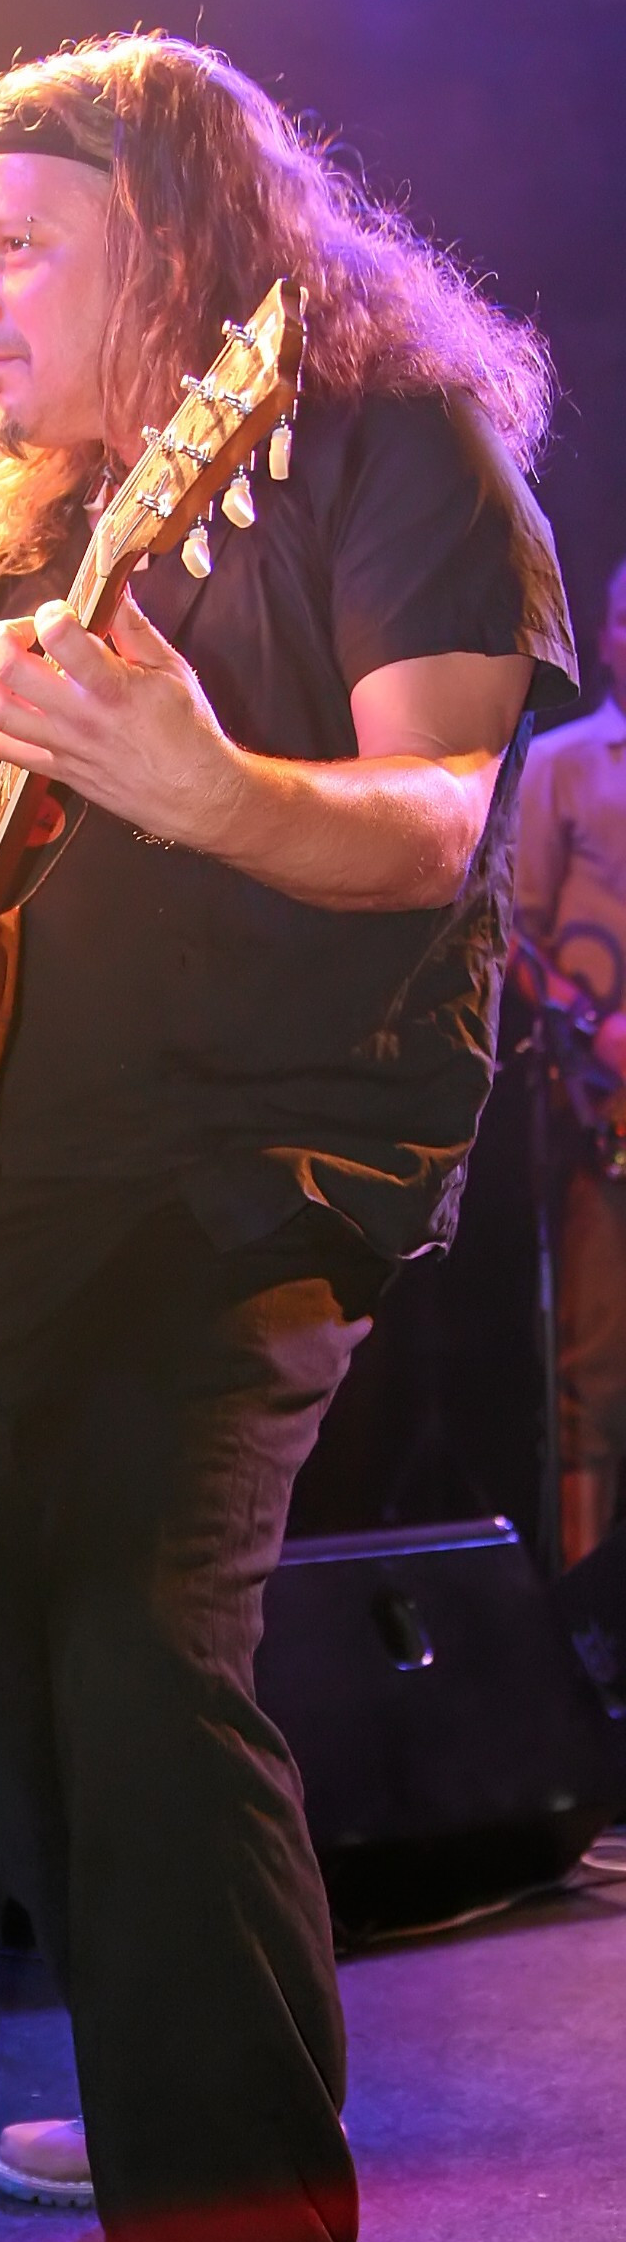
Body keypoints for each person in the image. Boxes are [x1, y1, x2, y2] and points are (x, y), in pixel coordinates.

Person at [0, 33, 576, 2242]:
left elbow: (432, 819)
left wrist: (203, 788)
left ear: (174, 239)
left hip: (263, 1161)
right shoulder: (34, 540)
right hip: (3, 1181)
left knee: (133, 1651)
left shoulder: (387, 446)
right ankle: (169, 2024)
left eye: (16, 244)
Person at [515, 555, 626, 1565]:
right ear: (604, 637)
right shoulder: (562, 763)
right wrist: (593, 1025)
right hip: (606, 1113)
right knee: (595, 1370)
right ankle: (588, 1611)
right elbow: (510, 931)